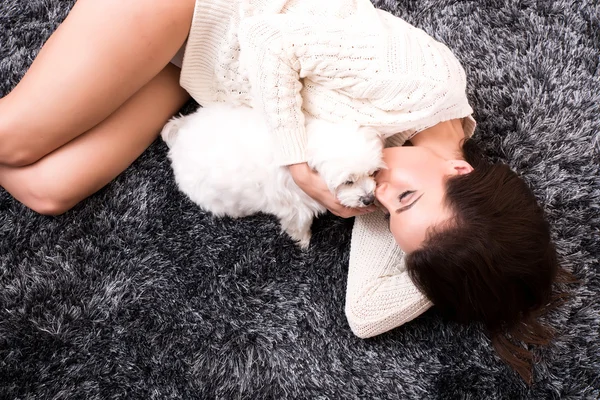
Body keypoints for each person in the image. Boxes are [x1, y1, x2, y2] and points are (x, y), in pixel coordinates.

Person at [0, 0, 572, 384]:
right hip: (197, 10)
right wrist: (295, 160)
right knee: (14, 141)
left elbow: (366, 314)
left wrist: (480, 278)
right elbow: (275, 40)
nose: (378, 191)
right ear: (462, 171)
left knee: (47, 190)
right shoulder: (422, 82)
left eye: (390, 214)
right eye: (405, 198)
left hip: (194, 67)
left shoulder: (416, 184)